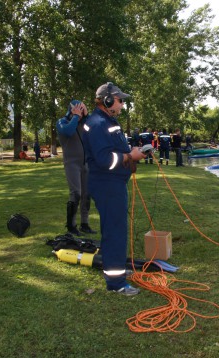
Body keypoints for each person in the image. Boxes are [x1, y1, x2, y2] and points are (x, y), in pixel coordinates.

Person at [82, 82, 148, 296]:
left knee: (116, 229)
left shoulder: (108, 121)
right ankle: (116, 284)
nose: (122, 105)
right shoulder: (98, 123)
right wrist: (130, 157)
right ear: (108, 100)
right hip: (107, 185)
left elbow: (115, 151)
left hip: (114, 183)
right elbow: (104, 159)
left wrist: (132, 154)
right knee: (114, 232)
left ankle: (117, 273)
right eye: (120, 100)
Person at [56, 100, 96, 236]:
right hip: (72, 163)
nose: (80, 111)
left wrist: (86, 115)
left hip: (85, 163)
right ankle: (71, 225)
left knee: (87, 194)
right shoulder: (62, 122)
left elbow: (95, 127)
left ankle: (85, 223)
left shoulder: (84, 124)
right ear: (71, 109)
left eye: (82, 108)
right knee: (76, 193)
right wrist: (75, 117)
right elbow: (68, 132)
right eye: (78, 108)